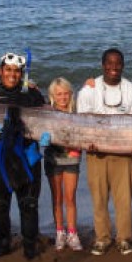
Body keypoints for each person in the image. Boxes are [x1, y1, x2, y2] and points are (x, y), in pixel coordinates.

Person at [0, 52, 45, 260]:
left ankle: (30, 244)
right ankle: (3, 243)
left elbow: (46, 123)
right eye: (8, 70)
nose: (12, 74)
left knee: (29, 203)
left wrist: (45, 138)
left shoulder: (32, 96)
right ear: (0, 71)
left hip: (27, 155)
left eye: (16, 71)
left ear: (21, 73)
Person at [77, 48, 132, 256]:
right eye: (109, 63)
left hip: (124, 154)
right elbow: (82, 122)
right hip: (96, 153)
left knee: (124, 199)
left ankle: (124, 238)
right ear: (103, 64)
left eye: (118, 63)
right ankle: (102, 237)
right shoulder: (88, 90)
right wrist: (89, 142)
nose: (114, 67)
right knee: (99, 198)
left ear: (123, 65)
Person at [45, 77, 83, 252]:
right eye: (58, 94)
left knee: (70, 198)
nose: (62, 97)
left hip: (72, 159)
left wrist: (90, 83)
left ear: (70, 94)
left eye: (66, 93)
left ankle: (72, 233)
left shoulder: (77, 112)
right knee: (57, 198)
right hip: (52, 159)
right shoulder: (47, 112)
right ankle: (60, 231)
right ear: (53, 95)